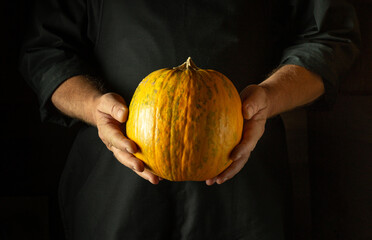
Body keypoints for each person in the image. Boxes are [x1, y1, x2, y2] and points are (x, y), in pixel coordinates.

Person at [20, 0, 360, 239]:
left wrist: (268, 98)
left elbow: (330, 37)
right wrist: (93, 105)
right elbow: (46, 49)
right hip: (114, 188)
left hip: (246, 185)